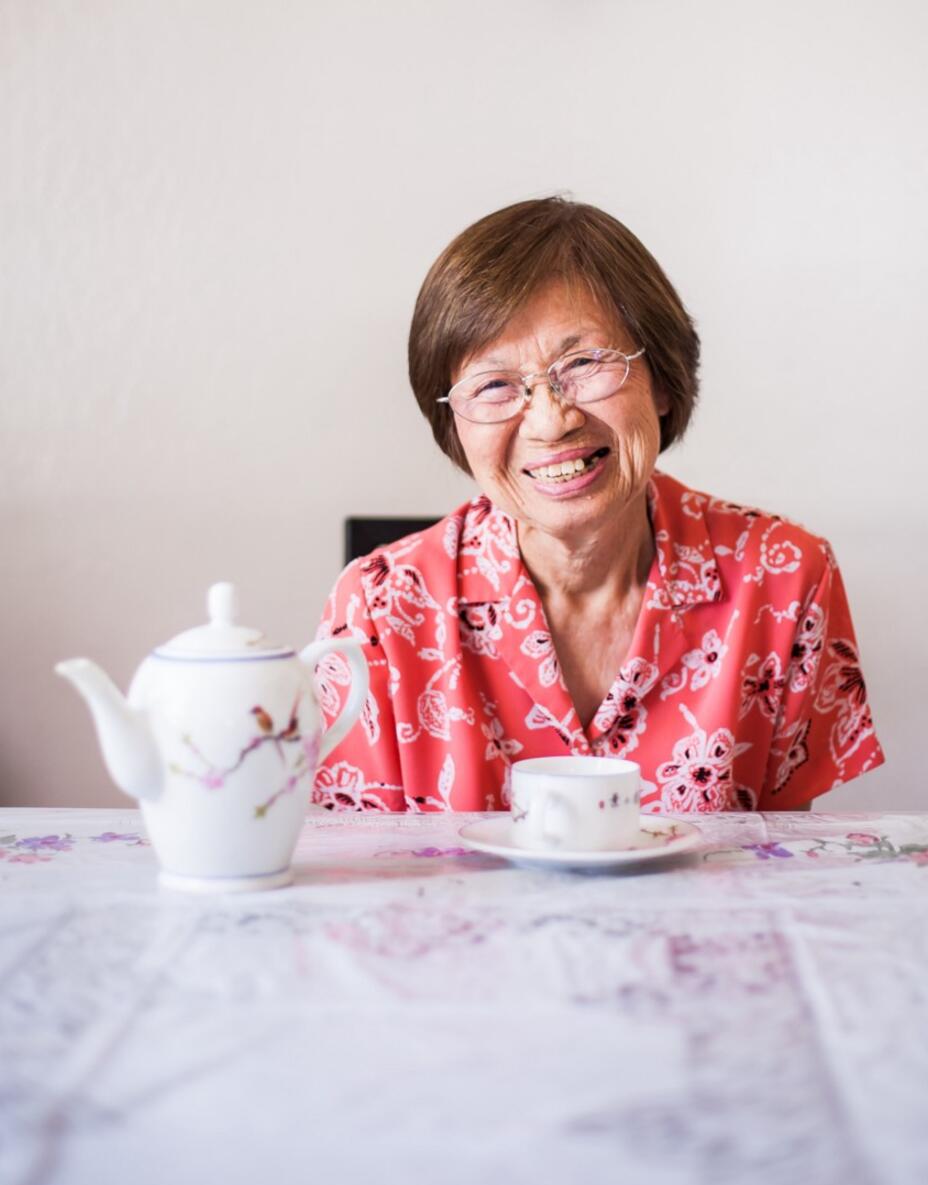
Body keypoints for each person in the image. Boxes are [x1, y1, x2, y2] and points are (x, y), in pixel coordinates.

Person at [311, 197, 883, 814]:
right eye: (495, 385)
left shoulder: (782, 577)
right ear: (454, 424)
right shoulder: (379, 608)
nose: (551, 421)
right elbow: (367, 867)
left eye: (583, 363)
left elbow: (783, 858)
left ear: (661, 381)